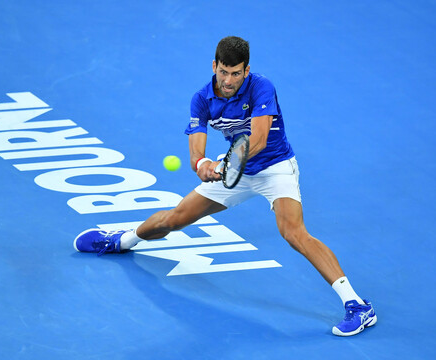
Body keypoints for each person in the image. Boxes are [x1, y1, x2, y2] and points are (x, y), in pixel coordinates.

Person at [73, 36, 376, 337]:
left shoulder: (262, 87)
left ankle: (357, 305)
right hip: (233, 170)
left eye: (236, 73)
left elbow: (257, 139)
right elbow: (196, 152)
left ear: (246, 70)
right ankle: (122, 240)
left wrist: (226, 163)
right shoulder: (202, 99)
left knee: (293, 233)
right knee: (175, 218)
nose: (229, 80)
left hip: (275, 168)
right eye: (223, 72)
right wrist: (202, 165)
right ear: (214, 65)